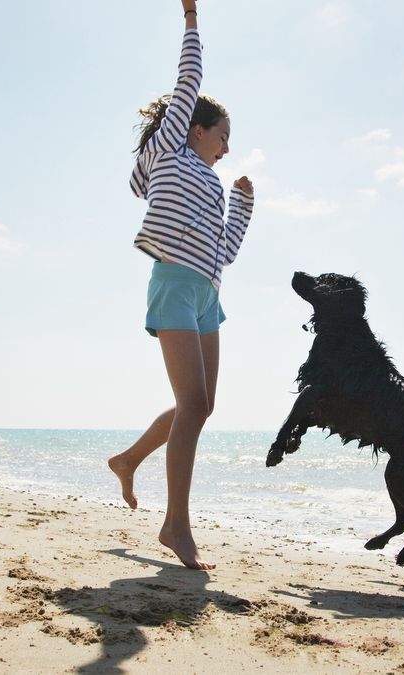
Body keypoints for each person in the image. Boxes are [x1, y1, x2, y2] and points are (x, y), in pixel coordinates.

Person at [108, 0, 254, 571]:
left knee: (202, 405)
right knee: (192, 404)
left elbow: (226, 253)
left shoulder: (212, 184)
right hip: (173, 283)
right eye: (223, 135)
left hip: (208, 296)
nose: (227, 146)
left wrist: (242, 205)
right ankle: (176, 525)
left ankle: (128, 460)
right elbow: (188, 79)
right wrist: (192, 19)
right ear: (194, 128)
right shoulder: (171, 150)